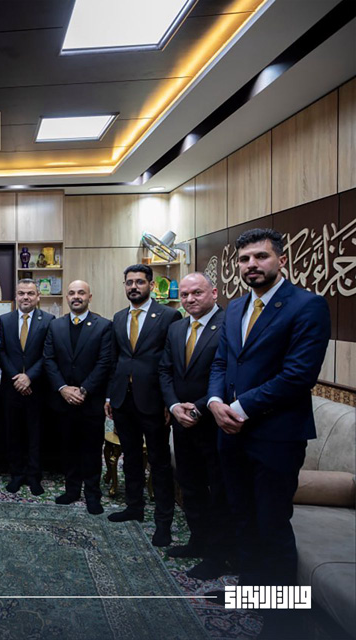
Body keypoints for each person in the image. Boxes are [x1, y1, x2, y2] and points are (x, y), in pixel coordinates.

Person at [207, 228, 330, 635]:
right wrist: (215, 401)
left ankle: (282, 621)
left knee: (271, 523)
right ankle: (250, 592)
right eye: (244, 259)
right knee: (242, 517)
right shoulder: (235, 308)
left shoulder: (308, 305)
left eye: (260, 257)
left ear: (281, 259)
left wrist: (240, 407)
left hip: (277, 436)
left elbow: (298, 376)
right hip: (231, 433)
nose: (251, 265)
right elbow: (222, 363)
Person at [158, 272, 233, 580]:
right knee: (189, 485)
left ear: (213, 293)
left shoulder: (229, 325)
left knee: (218, 490)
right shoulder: (177, 328)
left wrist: (199, 407)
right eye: (185, 294)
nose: (190, 299)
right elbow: (165, 371)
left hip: (215, 423)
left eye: (197, 293)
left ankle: (218, 555)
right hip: (181, 422)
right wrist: (174, 406)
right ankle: (198, 541)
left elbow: (228, 374)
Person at [105, 264, 182, 547]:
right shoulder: (119, 317)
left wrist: (169, 401)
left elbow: (172, 362)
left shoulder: (169, 316)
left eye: (139, 282)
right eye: (129, 282)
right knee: (131, 458)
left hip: (154, 401)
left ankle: (163, 523)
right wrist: (109, 397)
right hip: (123, 400)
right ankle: (134, 507)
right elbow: (115, 360)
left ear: (151, 285)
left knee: (159, 463)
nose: (134, 287)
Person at [43, 280, 113, 515]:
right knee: (68, 448)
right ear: (67, 298)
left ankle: (93, 494)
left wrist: (83, 390)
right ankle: (71, 490)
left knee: (91, 450)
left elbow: (104, 362)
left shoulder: (104, 326)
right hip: (63, 401)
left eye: (81, 293)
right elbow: (49, 360)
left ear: (89, 297)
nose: (76, 297)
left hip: (90, 401)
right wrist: (63, 388)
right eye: (72, 293)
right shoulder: (55, 326)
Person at [0, 278, 54, 495]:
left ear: (38, 297)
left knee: (35, 433)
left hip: (37, 387)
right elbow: (0, 351)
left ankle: (34, 476)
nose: (25, 297)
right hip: (11, 388)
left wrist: (29, 377)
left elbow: (48, 353)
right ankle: (17, 474)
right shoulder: (5, 320)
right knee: (13, 433)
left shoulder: (48, 320)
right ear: (16, 296)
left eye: (30, 293)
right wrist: (17, 378)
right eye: (21, 293)